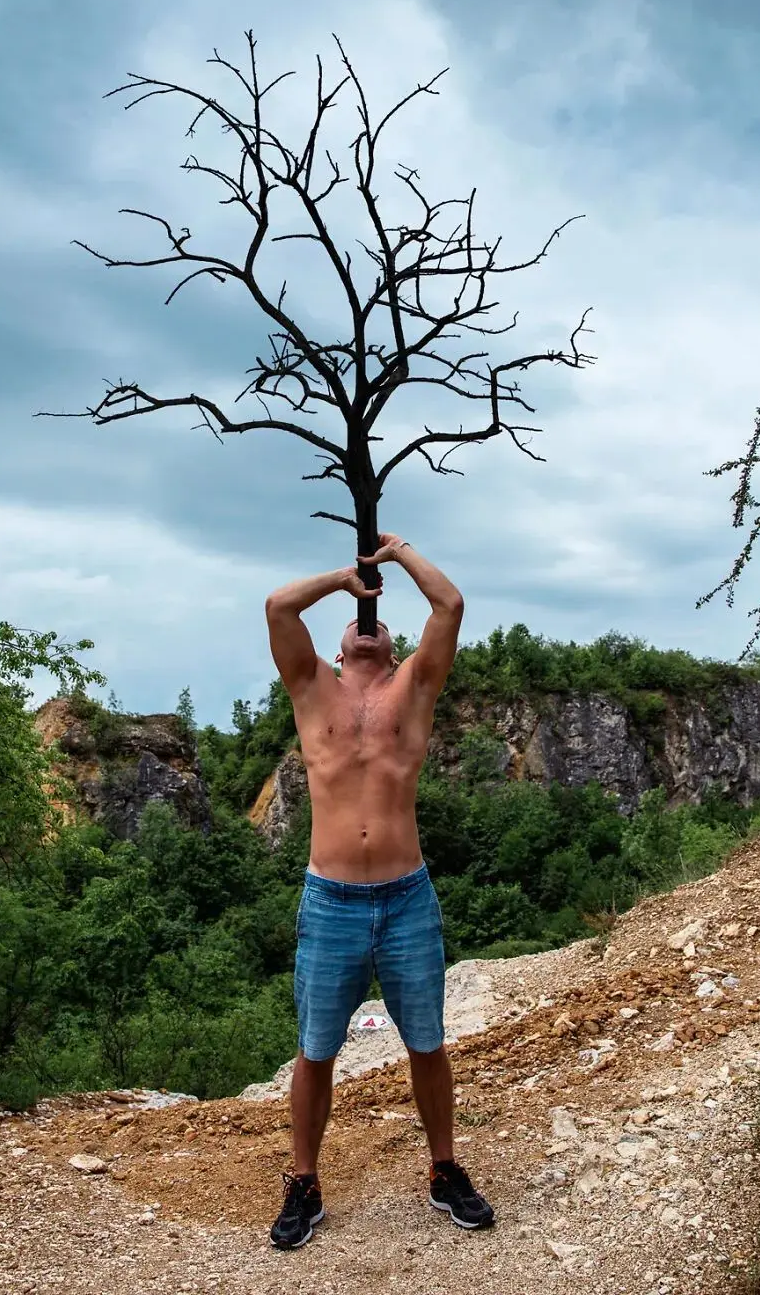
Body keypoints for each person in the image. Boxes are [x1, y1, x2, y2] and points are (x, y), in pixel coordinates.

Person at [263, 532, 495, 1249]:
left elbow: (449, 603)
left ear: (392, 649)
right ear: (338, 648)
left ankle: (445, 1169)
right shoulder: (313, 688)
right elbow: (276, 605)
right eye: (356, 624)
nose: (369, 628)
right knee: (315, 1049)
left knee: (427, 1043)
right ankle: (303, 1182)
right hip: (330, 900)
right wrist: (344, 578)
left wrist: (395, 553)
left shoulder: (413, 688)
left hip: (406, 898)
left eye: (380, 625)